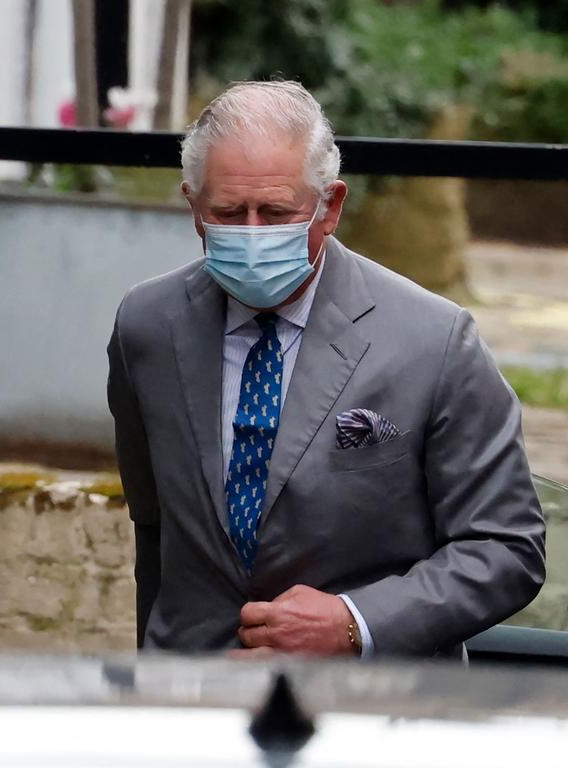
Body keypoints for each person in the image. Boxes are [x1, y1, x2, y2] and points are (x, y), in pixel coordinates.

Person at [107, 80, 545, 658]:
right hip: (197, 702)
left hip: (371, 713)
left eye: (278, 212)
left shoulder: (434, 340)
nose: (253, 233)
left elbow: (506, 547)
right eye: (229, 212)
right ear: (193, 206)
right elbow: (156, 530)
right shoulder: (147, 326)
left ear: (331, 206)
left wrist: (354, 623)